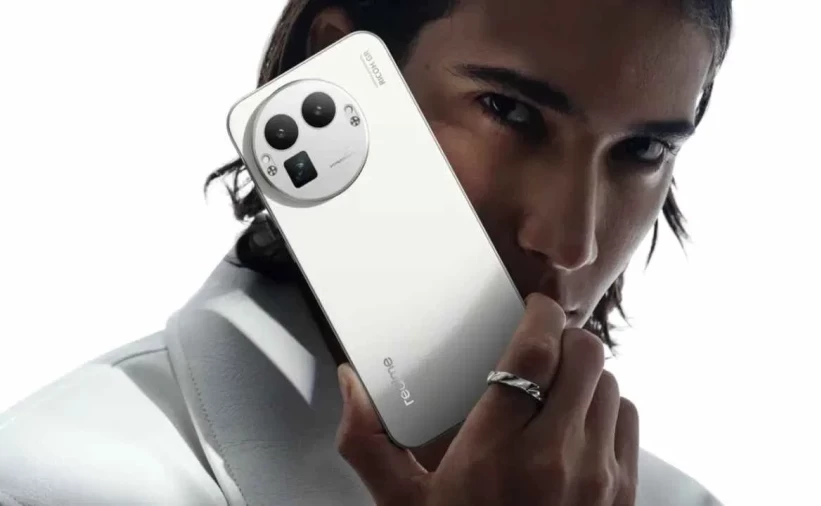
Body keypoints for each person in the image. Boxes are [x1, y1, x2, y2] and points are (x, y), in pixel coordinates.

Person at [0, 0, 732, 504]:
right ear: (328, 66)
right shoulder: (51, 481)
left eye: (644, 150)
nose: (572, 242)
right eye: (510, 112)